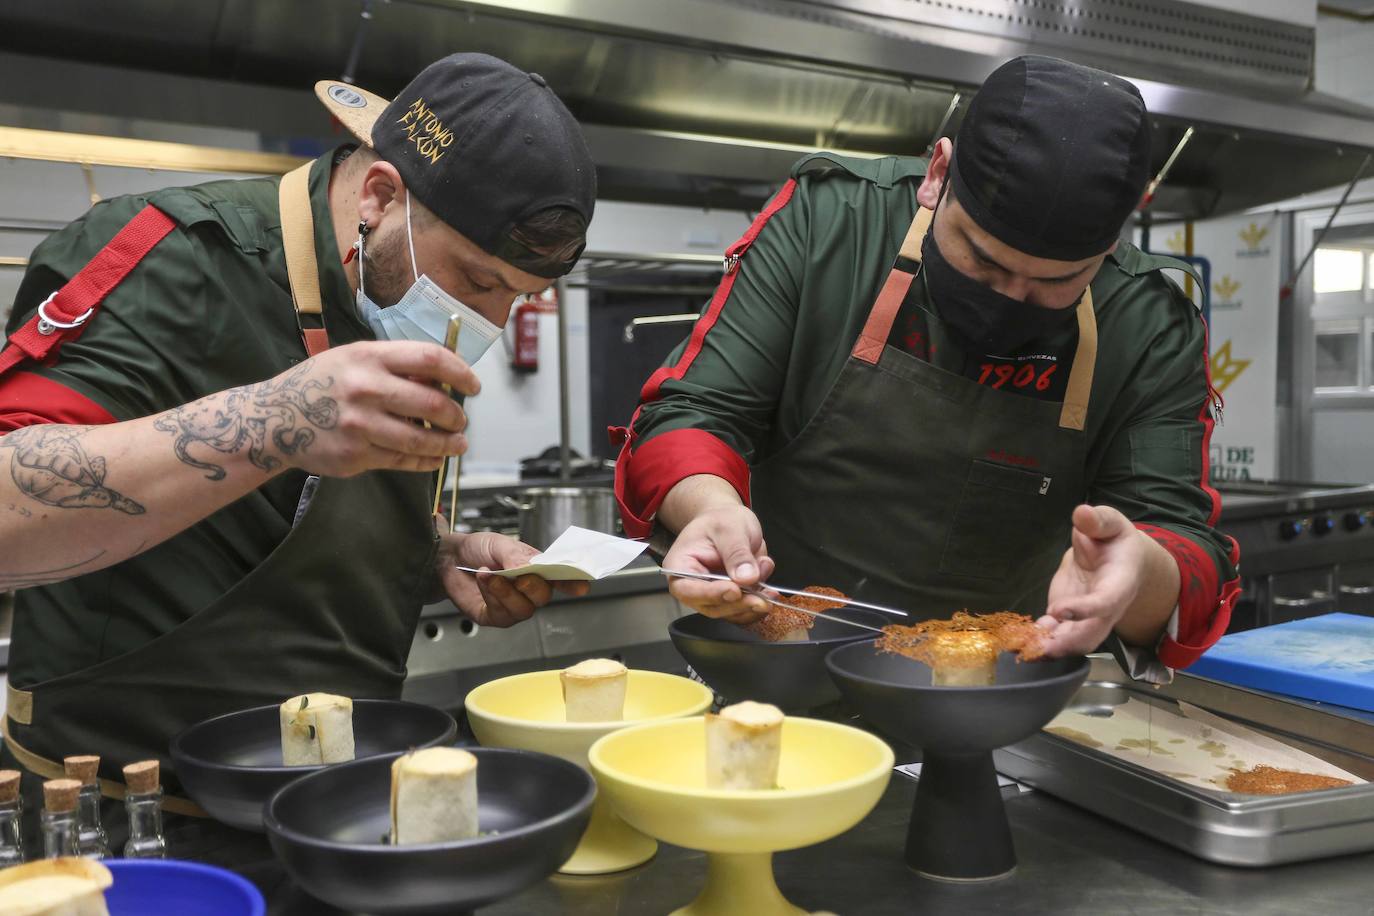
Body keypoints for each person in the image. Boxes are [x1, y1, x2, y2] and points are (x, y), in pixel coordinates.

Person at [0, 53, 595, 852]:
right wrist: (275, 418)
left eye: (516, 298)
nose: (487, 319)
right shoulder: (172, 262)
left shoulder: (396, 304)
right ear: (380, 198)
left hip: (344, 818)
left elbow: (271, 521)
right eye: (477, 279)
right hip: (133, 826)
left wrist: (435, 551)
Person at [614, 55, 1239, 677]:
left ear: (1109, 247)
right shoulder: (829, 224)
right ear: (937, 176)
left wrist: (1139, 573)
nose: (1009, 298)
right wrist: (709, 510)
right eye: (983, 260)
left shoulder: (1149, 320)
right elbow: (692, 412)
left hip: (1001, 709)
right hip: (778, 678)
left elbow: (1182, 543)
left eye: (1057, 281)